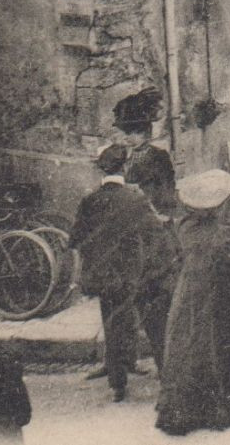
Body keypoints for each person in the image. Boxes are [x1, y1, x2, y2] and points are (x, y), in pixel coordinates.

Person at [155, 170, 230, 436]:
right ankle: (220, 407)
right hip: (215, 298)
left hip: (187, 294)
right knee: (220, 345)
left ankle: (184, 407)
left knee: (186, 345)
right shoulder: (222, 235)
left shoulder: (183, 228)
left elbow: (178, 258)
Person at [71, 144, 178, 402]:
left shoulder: (89, 199)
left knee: (112, 322)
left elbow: (76, 237)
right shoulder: (135, 198)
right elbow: (154, 231)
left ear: (101, 171)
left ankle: (118, 383)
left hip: (103, 274)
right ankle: (166, 376)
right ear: (125, 167)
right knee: (150, 321)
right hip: (131, 274)